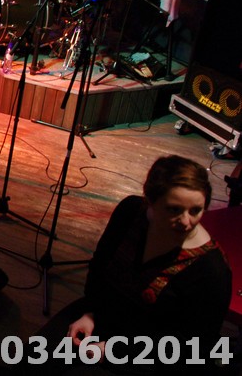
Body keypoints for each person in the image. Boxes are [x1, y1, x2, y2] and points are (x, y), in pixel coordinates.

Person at [28, 155, 231, 375]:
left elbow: (194, 345)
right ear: (150, 200)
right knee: (32, 361)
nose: (186, 222)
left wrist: (113, 350)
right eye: (174, 210)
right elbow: (99, 267)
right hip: (102, 316)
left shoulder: (212, 270)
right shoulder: (130, 211)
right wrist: (90, 312)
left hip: (153, 355)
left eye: (195, 211)